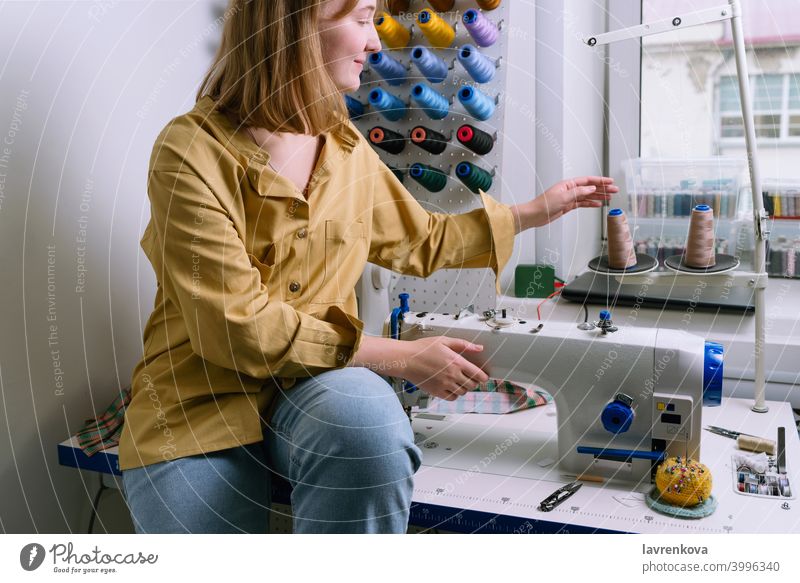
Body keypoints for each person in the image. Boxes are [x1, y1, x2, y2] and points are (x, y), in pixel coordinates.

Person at [119, 0, 617, 534]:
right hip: (199, 402)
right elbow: (234, 327)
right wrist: (400, 357)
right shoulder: (191, 151)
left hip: (313, 384)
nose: (376, 42)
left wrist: (532, 213)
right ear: (293, 27)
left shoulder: (346, 148)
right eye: (361, 21)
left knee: (369, 436)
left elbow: (422, 240)